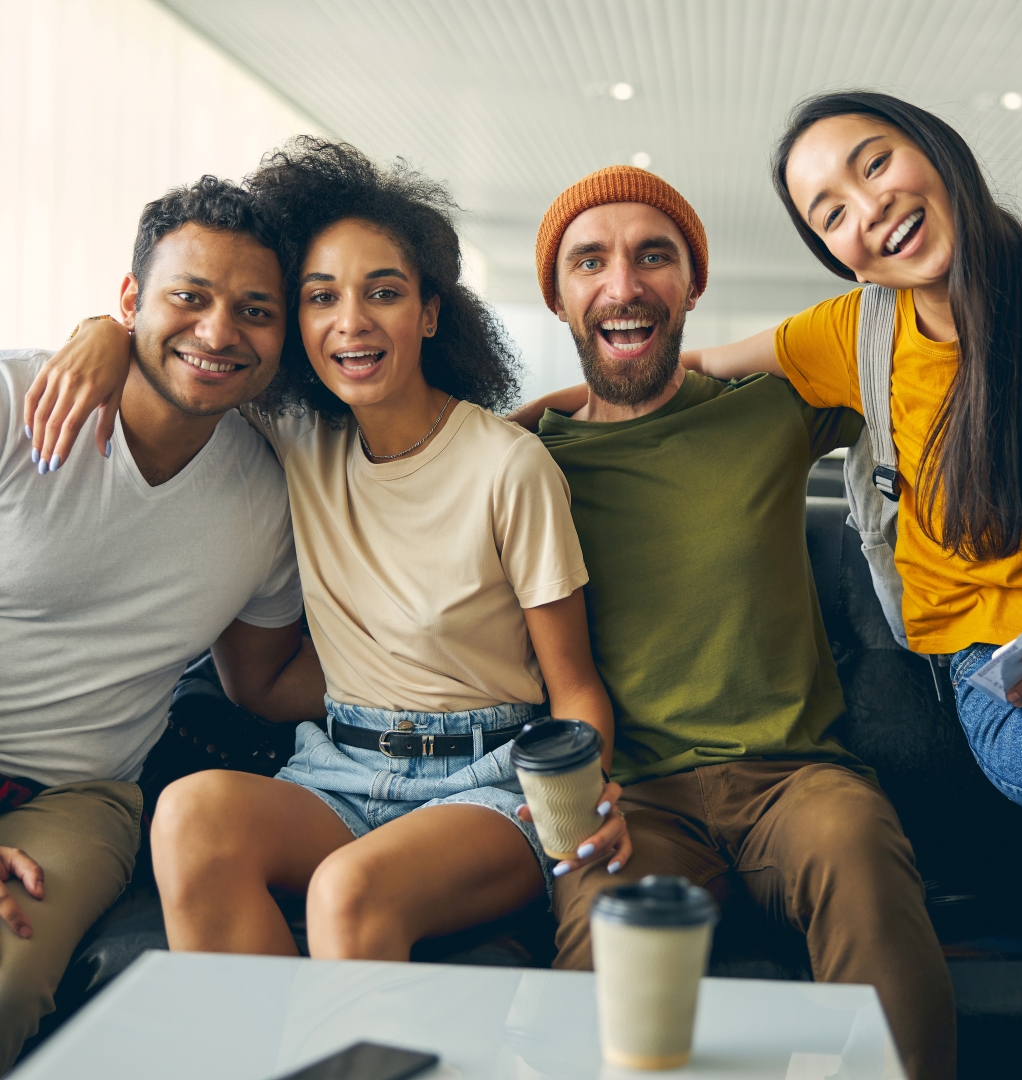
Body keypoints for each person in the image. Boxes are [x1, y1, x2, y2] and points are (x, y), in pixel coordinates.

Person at [34, 138, 630, 963]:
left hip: (485, 784)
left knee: (348, 889)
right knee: (189, 816)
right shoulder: (296, 436)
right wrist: (105, 332)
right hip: (339, 771)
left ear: (428, 314)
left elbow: (574, 688)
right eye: (319, 298)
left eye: (382, 293)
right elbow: (191, 358)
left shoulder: (509, 467)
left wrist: (576, 812)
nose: (350, 321)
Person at [501, 164, 953, 1080]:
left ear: (693, 285)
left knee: (861, 856)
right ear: (557, 296)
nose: (623, 285)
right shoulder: (522, 464)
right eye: (590, 262)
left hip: (799, 782)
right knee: (601, 948)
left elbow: (930, 332)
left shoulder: (772, 408)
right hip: (634, 799)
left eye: (652, 257)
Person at [677, 92, 1022, 818]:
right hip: (1006, 675)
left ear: (938, 149)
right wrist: (526, 418)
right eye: (832, 214)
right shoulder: (856, 334)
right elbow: (691, 366)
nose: (869, 207)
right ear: (844, 261)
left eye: (877, 163)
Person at [0, 178, 324, 1071]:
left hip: (76, 799)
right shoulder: (11, 402)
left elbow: (258, 683)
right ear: (129, 300)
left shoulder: (264, 494)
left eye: (254, 310)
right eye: (189, 297)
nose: (219, 332)